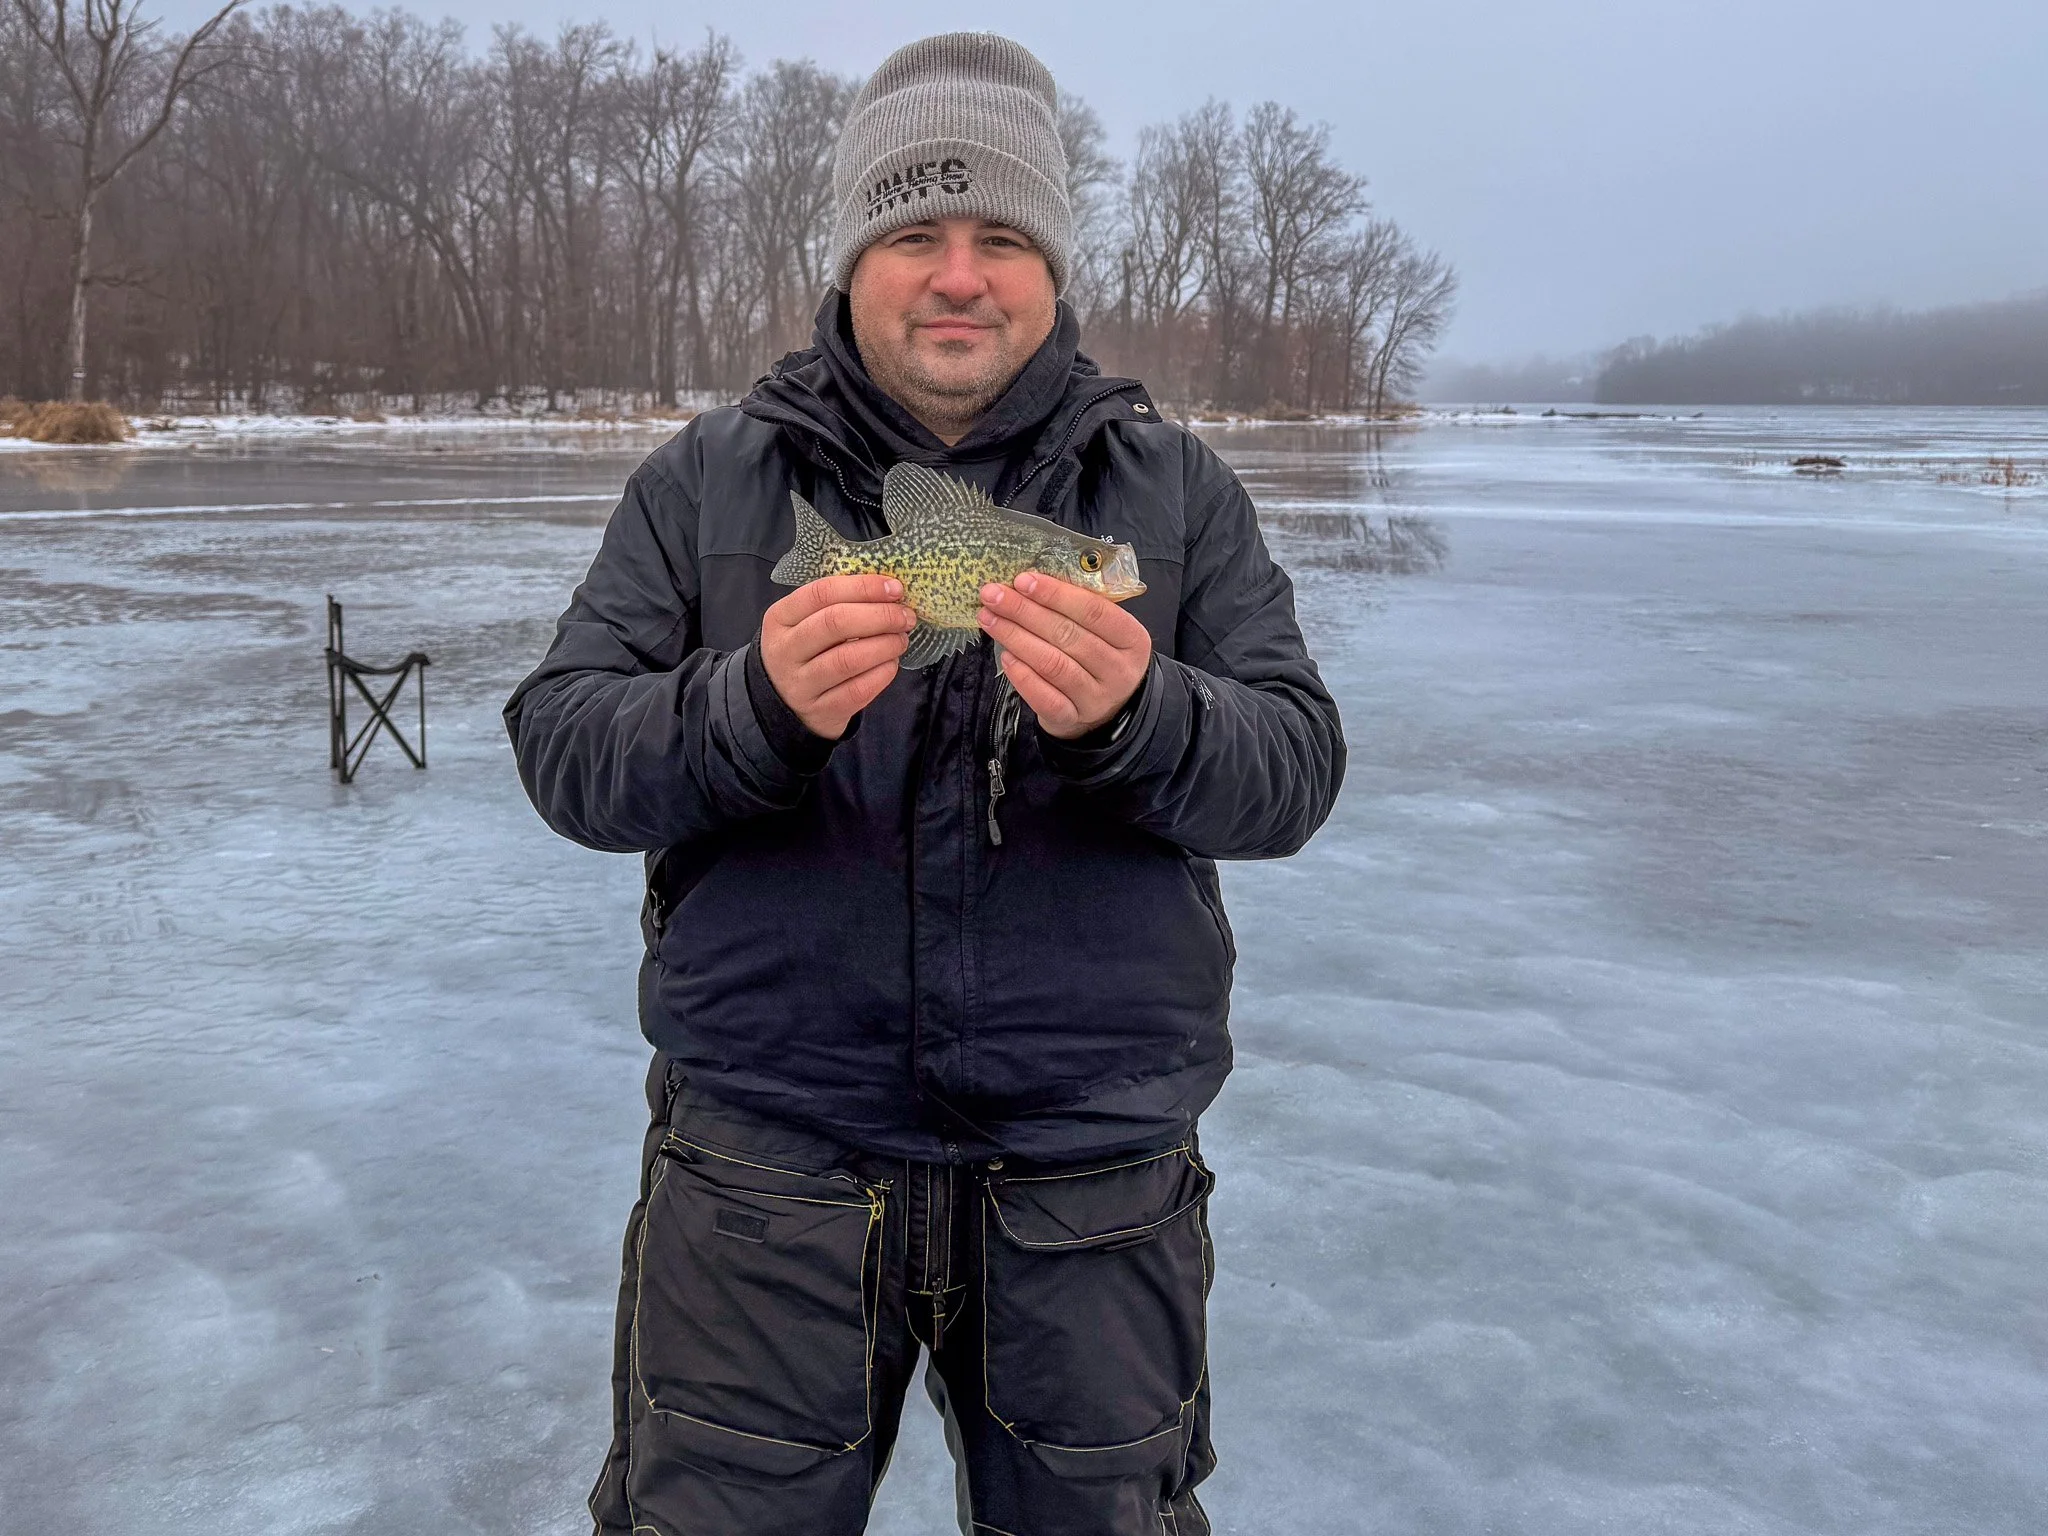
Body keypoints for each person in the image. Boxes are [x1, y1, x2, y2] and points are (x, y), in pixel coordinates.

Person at [505, 32, 1344, 1536]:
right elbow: (564, 746)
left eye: (1001, 237)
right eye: (916, 234)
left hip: (1095, 1179)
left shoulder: (1175, 493)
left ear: (1052, 267)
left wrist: (1142, 717)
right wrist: (748, 709)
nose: (960, 276)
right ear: (854, 260)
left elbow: (1293, 770)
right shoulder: (707, 481)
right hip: (765, 1175)